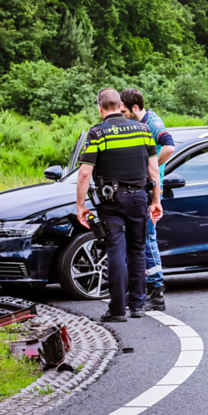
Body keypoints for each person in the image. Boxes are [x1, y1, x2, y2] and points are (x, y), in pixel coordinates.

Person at [76, 89, 162, 322]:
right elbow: (153, 170)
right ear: (120, 105)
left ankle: (117, 310)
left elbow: (85, 174)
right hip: (139, 200)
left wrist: (80, 206)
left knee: (116, 251)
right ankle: (137, 306)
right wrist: (156, 200)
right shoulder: (143, 130)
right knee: (137, 251)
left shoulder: (98, 133)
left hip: (111, 201)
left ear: (100, 108)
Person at [120, 88, 174, 311]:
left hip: (152, 187)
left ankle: (157, 291)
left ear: (134, 108)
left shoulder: (152, 122)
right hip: (142, 186)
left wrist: (150, 167)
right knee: (139, 239)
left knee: (148, 238)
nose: (121, 115)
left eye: (123, 111)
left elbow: (169, 146)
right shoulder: (138, 125)